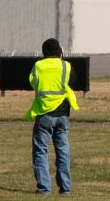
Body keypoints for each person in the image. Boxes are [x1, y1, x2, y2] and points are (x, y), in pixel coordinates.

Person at [27, 38, 78, 196]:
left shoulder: (38, 66)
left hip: (44, 113)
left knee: (41, 151)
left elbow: (32, 83)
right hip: (62, 114)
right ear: (60, 52)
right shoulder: (66, 66)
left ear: (44, 52)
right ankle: (65, 188)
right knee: (63, 151)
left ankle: (44, 188)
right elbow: (73, 81)